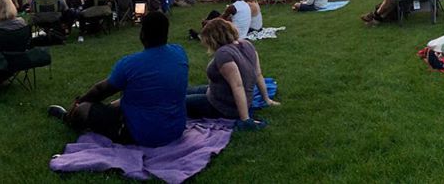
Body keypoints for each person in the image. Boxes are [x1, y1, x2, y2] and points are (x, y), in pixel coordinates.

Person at [48, 12, 189, 147]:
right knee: (120, 102)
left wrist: (80, 101)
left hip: (141, 135)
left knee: (84, 109)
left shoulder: (130, 64)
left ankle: (69, 117)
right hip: (175, 130)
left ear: (143, 34)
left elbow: (101, 90)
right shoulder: (180, 53)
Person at [186, 18, 278, 128]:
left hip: (224, 106)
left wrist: (245, 118)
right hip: (218, 92)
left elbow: (237, 86)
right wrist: (266, 99)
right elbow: (258, 74)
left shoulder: (224, 54)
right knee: (184, 90)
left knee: (175, 102)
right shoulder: (247, 44)